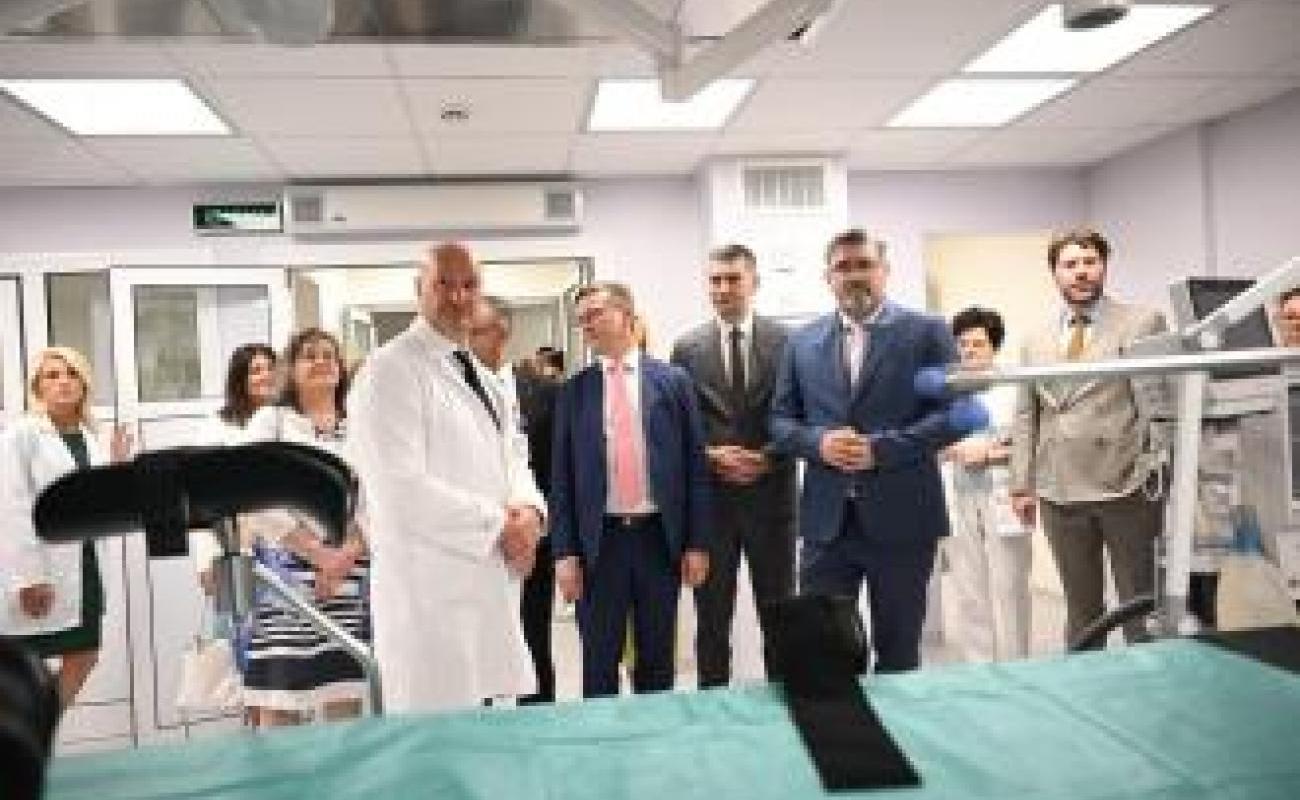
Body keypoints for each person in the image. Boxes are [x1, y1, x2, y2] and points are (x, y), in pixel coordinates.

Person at [348, 242, 545, 714]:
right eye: (444, 285)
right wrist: (500, 525)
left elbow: (514, 457)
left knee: (486, 736)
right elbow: (397, 490)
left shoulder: (482, 374)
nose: (459, 297)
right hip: (428, 600)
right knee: (435, 742)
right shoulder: (389, 370)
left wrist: (531, 512)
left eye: (469, 285)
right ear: (419, 290)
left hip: (487, 588)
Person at [770, 229, 960, 673]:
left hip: (903, 521)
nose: (854, 274)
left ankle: (896, 719)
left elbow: (955, 415)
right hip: (826, 525)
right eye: (843, 267)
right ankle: (837, 720)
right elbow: (779, 421)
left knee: (898, 651)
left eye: (864, 265)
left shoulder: (927, 332)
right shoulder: (801, 342)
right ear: (827, 277)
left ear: (885, 271)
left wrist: (882, 450)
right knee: (822, 652)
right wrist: (819, 443)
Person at [551, 282, 711, 698]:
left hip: (658, 539)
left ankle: (654, 734)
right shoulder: (575, 391)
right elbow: (561, 480)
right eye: (581, 319)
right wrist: (564, 553)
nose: (586, 325)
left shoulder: (673, 382)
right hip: (599, 545)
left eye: (595, 314)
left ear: (626, 315)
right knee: (598, 659)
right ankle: (605, 734)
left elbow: (695, 467)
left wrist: (697, 543)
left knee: (656, 657)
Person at [1009, 228, 1166, 648]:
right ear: (1055, 273)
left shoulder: (1142, 322)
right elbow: (1026, 414)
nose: (1081, 272)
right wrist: (1021, 484)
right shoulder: (1035, 338)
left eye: (1090, 262)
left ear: (1104, 266)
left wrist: (1153, 469)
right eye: (1070, 264)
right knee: (1081, 609)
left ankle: (1150, 679)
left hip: (1126, 485)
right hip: (1059, 491)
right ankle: (1086, 678)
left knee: (1139, 604)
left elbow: (1158, 405)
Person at [670, 244, 796, 687]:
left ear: (754, 282)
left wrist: (769, 458)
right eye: (715, 280)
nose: (722, 288)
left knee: (780, 615)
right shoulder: (687, 348)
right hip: (713, 507)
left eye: (733, 279)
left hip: (773, 503)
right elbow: (679, 425)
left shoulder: (788, 343)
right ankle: (712, 707)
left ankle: (786, 701)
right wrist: (710, 455)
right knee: (711, 620)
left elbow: (800, 414)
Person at [241, 329, 370, 726]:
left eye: (329, 355)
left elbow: (379, 495)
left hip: (351, 572)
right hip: (287, 573)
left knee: (344, 694)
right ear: (291, 370)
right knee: (282, 698)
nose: (322, 361)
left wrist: (345, 554)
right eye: (309, 355)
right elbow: (250, 492)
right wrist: (316, 553)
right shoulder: (272, 421)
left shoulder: (361, 423)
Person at [0, 346, 132, 708]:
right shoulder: (21, 435)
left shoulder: (90, 436)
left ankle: (38, 731)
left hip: (85, 566)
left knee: (84, 654)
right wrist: (30, 578)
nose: (64, 382)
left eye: (72, 374)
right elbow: (12, 508)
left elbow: (96, 506)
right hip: (40, 567)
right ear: (38, 387)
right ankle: (22, 733)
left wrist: (116, 471)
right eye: (53, 375)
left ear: (84, 384)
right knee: (23, 666)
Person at [468, 298, 560, 704]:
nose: (465, 342)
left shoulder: (545, 393)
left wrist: (535, 525)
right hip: (475, 538)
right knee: (478, 647)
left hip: (532, 538)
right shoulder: (450, 391)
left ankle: (537, 723)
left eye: (475, 332)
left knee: (534, 636)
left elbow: (557, 470)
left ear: (502, 334)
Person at [941, 307, 1030, 663]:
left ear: (994, 346)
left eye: (977, 344)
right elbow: (929, 441)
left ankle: (1017, 664)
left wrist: (990, 453)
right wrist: (951, 449)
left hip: (1004, 495)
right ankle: (979, 667)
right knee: (969, 589)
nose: (969, 350)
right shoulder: (946, 391)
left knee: (1010, 587)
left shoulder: (1015, 388)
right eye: (963, 344)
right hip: (958, 497)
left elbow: (1031, 442)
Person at [191, 343, 278, 593]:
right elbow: (201, 498)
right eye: (256, 370)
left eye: (271, 368)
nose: (266, 376)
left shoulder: (289, 421)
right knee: (240, 614)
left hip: (287, 549)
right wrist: (206, 560)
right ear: (240, 379)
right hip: (235, 547)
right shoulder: (216, 428)